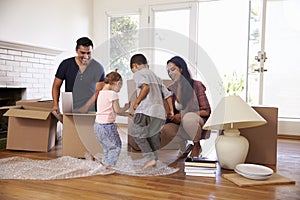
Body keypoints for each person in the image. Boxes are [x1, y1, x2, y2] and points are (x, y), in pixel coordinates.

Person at [160, 56, 211, 158]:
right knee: (166, 128)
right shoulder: (171, 89)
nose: (170, 73)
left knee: (188, 119)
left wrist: (183, 115)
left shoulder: (196, 85)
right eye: (168, 71)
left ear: (181, 69)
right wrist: (172, 115)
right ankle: (183, 146)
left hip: (196, 121)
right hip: (180, 124)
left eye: (173, 69)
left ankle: (197, 146)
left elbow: (206, 111)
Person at [129, 54, 174, 170]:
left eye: (132, 70)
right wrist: (171, 111)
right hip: (159, 113)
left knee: (137, 134)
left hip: (145, 110)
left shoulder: (139, 73)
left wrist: (137, 102)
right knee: (153, 136)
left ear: (134, 66)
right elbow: (168, 95)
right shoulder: (156, 76)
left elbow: (145, 87)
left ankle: (150, 159)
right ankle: (154, 160)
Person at [52, 37, 105, 113]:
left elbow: (99, 91)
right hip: (70, 108)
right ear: (76, 50)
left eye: (88, 53)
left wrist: (85, 107)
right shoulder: (65, 64)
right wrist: (55, 104)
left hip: (91, 109)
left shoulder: (98, 67)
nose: (86, 56)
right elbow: (56, 86)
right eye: (82, 53)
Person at [94, 71, 130, 169]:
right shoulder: (113, 94)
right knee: (116, 146)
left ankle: (105, 164)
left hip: (97, 126)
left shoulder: (101, 93)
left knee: (107, 147)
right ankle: (109, 166)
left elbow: (112, 110)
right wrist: (126, 107)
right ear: (117, 83)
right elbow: (117, 110)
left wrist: (127, 114)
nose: (119, 90)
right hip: (107, 126)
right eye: (120, 87)